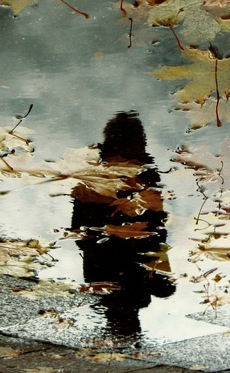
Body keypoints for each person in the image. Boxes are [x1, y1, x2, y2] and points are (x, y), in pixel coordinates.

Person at [70, 111, 174, 336]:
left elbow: (78, 224)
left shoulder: (93, 173)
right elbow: (156, 221)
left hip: (107, 250)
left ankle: (122, 330)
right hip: (117, 252)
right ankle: (122, 331)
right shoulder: (145, 175)